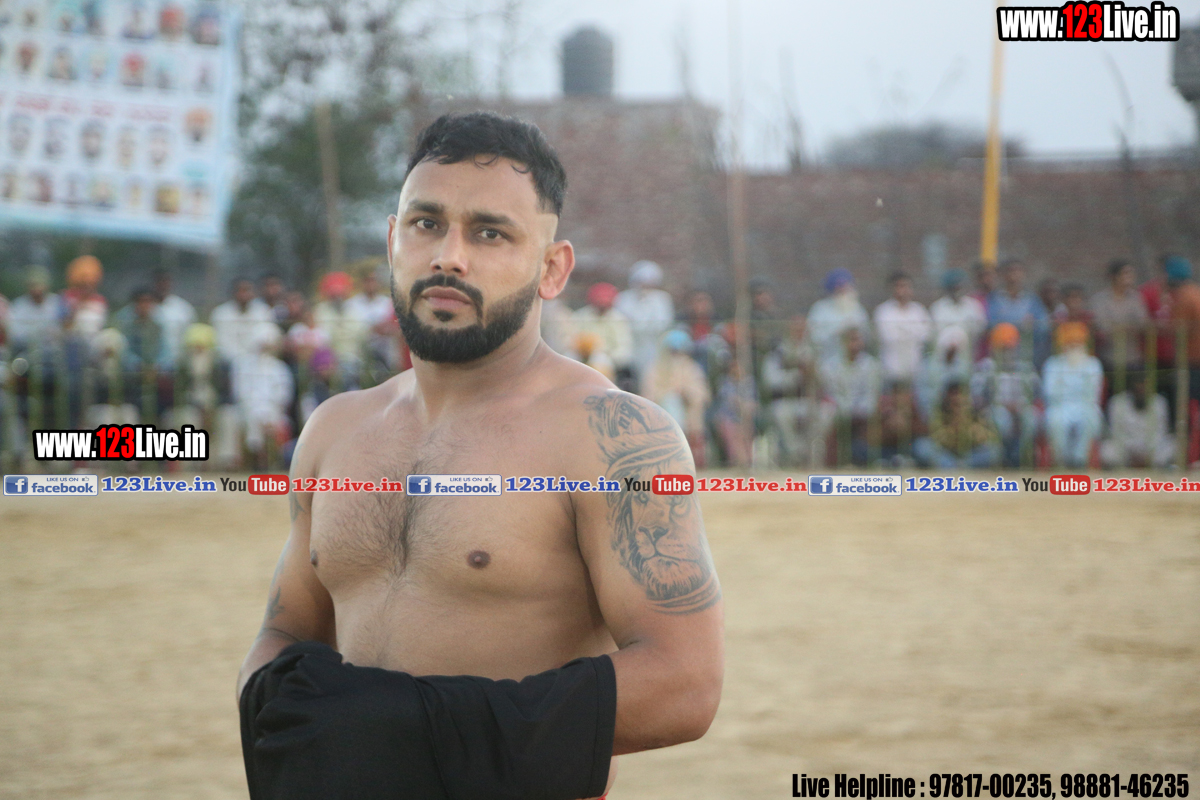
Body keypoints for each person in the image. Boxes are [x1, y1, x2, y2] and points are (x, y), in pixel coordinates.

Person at [237, 112, 723, 800]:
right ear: (393, 240)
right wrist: (274, 712)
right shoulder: (334, 430)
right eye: (426, 223)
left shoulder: (611, 437)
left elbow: (685, 684)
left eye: (490, 232)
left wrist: (412, 733)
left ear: (551, 268)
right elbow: (287, 630)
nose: (449, 256)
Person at [761, 314, 832, 468]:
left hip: (809, 401)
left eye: (802, 328)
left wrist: (814, 374)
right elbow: (770, 381)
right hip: (785, 400)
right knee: (781, 413)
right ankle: (795, 454)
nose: (799, 332)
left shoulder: (814, 350)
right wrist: (797, 376)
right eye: (795, 328)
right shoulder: (778, 351)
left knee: (827, 412)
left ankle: (808, 453)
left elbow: (827, 379)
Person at [970, 323, 1041, 469]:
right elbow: (976, 397)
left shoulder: (1025, 367)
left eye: (1010, 347)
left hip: (1020, 408)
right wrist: (998, 404)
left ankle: (1021, 458)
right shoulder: (985, 367)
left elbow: (1035, 394)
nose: (1007, 351)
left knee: (1031, 418)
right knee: (1002, 419)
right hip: (995, 409)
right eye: (1003, 347)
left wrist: (1020, 406)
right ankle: (1000, 459)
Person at [641, 328, 710, 468]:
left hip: (688, 412)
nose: (675, 355)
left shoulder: (692, 368)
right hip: (662, 415)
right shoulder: (655, 368)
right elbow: (648, 394)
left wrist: (685, 394)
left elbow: (702, 393)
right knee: (671, 402)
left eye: (678, 351)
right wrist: (667, 396)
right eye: (672, 351)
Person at [1042, 322, 1104, 468]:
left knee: (1091, 418)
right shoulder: (1053, 364)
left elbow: (1093, 393)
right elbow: (1049, 392)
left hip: (1085, 405)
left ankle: (1079, 460)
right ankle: (1061, 460)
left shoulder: (1093, 364)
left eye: (1077, 344)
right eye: (1070, 344)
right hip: (1060, 405)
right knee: (1056, 420)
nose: (1074, 348)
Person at [820, 327, 880, 466]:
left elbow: (871, 394)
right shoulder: (830, 365)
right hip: (838, 411)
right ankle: (826, 461)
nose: (855, 344)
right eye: (851, 340)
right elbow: (831, 392)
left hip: (862, 412)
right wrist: (845, 410)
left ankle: (867, 460)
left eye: (858, 340)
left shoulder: (871, 365)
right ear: (843, 343)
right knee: (824, 413)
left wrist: (857, 411)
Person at [614, 260, 674, 391]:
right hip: (628, 344)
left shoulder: (662, 299)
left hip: (652, 345)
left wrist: (641, 326)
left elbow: (662, 323)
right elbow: (620, 321)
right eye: (642, 282)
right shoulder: (624, 298)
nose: (645, 286)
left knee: (649, 376)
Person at [1090, 259, 1148, 393]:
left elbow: (1143, 323)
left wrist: (1121, 327)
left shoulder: (1135, 298)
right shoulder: (1100, 300)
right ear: (1114, 276)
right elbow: (1103, 326)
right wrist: (1126, 327)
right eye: (1125, 274)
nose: (1130, 277)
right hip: (1109, 358)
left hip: (1133, 358)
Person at [913, 380, 999, 469]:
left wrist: (972, 432)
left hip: (970, 455)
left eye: (963, 403)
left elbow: (989, 436)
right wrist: (952, 432)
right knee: (922, 446)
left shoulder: (975, 412)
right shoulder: (939, 413)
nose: (959, 408)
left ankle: (961, 466)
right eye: (955, 404)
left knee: (993, 451)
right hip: (946, 455)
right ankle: (954, 467)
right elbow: (934, 437)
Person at [1101, 373, 1174, 469]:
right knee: (1107, 449)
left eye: (1144, 389)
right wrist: (1132, 453)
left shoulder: (1159, 403)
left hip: (1151, 451)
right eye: (1138, 389)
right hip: (1126, 452)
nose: (1141, 391)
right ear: (1132, 389)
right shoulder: (1118, 402)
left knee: (1172, 445)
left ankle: (1154, 467)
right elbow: (1116, 432)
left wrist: (1147, 454)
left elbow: (1161, 432)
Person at [987, 259, 1050, 367]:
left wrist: (1032, 325)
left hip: (1027, 354)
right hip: (1001, 353)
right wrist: (1018, 325)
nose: (1014, 275)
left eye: (1018, 271)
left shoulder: (1032, 300)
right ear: (1003, 274)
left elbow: (1043, 325)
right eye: (1010, 271)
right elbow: (991, 323)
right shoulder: (994, 298)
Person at [873, 271, 932, 384]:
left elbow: (925, 336)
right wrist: (909, 331)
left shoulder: (919, 311)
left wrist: (901, 330)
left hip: (915, 371)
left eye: (906, 286)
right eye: (898, 286)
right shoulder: (883, 311)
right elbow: (888, 337)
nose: (902, 290)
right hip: (891, 372)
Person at [572, 282, 634, 386]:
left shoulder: (619, 319)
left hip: (607, 358)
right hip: (580, 355)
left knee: (600, 361)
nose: (601, 306)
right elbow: (571, 338)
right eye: (599, 303)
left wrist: (608, 356)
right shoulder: (581, 316)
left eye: (604, 303)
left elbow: (623, 348)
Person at [314, 271, 369, 388]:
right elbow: (322, 337)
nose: (337, 296)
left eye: (340, 292)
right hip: (327, 361)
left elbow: (361, 334)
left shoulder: (356, 309)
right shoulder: (320, 310)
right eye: (333, 293)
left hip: (354, 358)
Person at [807, 268, 870, 364]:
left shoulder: (858, 309)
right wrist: (838, 331)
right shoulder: (820, 309)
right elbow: (815, 338)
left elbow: (865, 335)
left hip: (855, 363)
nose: (843, 290)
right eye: (839, 287)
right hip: (827, 361)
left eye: (846, 287)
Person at [211, 278, 273, 363]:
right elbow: (222, 343)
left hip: (259, 358)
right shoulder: (221, 313)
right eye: (241, 291)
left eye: (247, 290)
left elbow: (267, 336)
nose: (244, 294)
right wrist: (240, 359)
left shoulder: (263, 311)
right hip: (230, 360)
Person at [929, 268, 986, 355]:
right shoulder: (938, 308)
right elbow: (934, 334)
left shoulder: (973, 305)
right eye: (954, 288)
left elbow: (980, 330)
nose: (957, 291)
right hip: (944, 356)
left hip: (969, 354)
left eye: (959, 287)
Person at [151, 268, 196, 366]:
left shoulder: (183, 308)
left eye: (165, 282)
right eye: (159, 282)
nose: (162, 285)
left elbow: (190, 333)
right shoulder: (142, 308)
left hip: (178, 358)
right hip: (150, 357)